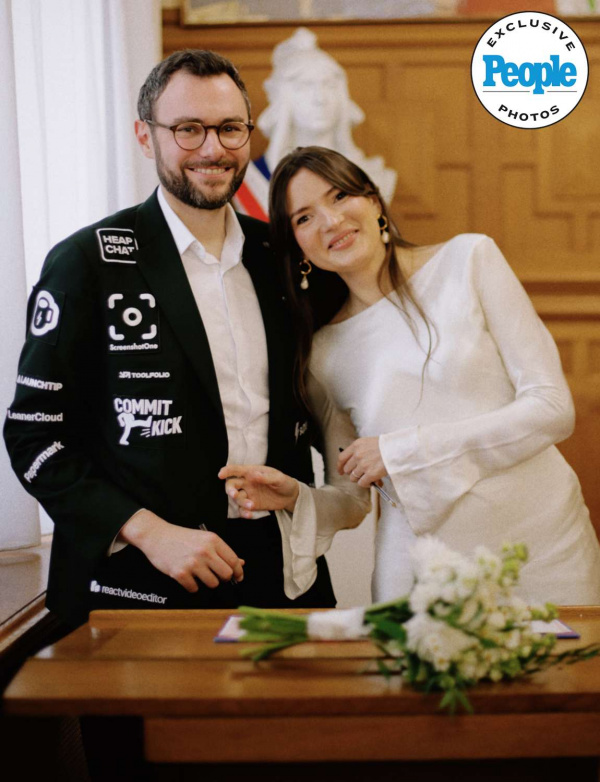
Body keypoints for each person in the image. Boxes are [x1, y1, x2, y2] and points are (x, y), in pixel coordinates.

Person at [3, 54, 363, 629]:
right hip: (137, 580)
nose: (212, 149)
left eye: (230, 128)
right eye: (188, 129)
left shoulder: (285, 257)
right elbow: (34, 436)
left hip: (280, 576)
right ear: (146, 136)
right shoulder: (86, 263)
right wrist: (148, 532)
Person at [220, 145, 600, 606]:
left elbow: (552, 409)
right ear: (297, 246)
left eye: (339, 196)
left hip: (547, 549)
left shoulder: (469, 260)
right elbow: (352, 498)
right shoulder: (323, 353)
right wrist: (297, 498)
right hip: (421, 573)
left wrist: (404, 451)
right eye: (304, 218)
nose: (330, 221)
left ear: (373, 200)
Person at [233, 27, 396, 221]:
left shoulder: (373, 176)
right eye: (305, 87)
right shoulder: (250, 181)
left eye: (329, 85)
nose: (320, 98)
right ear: (283, 97)